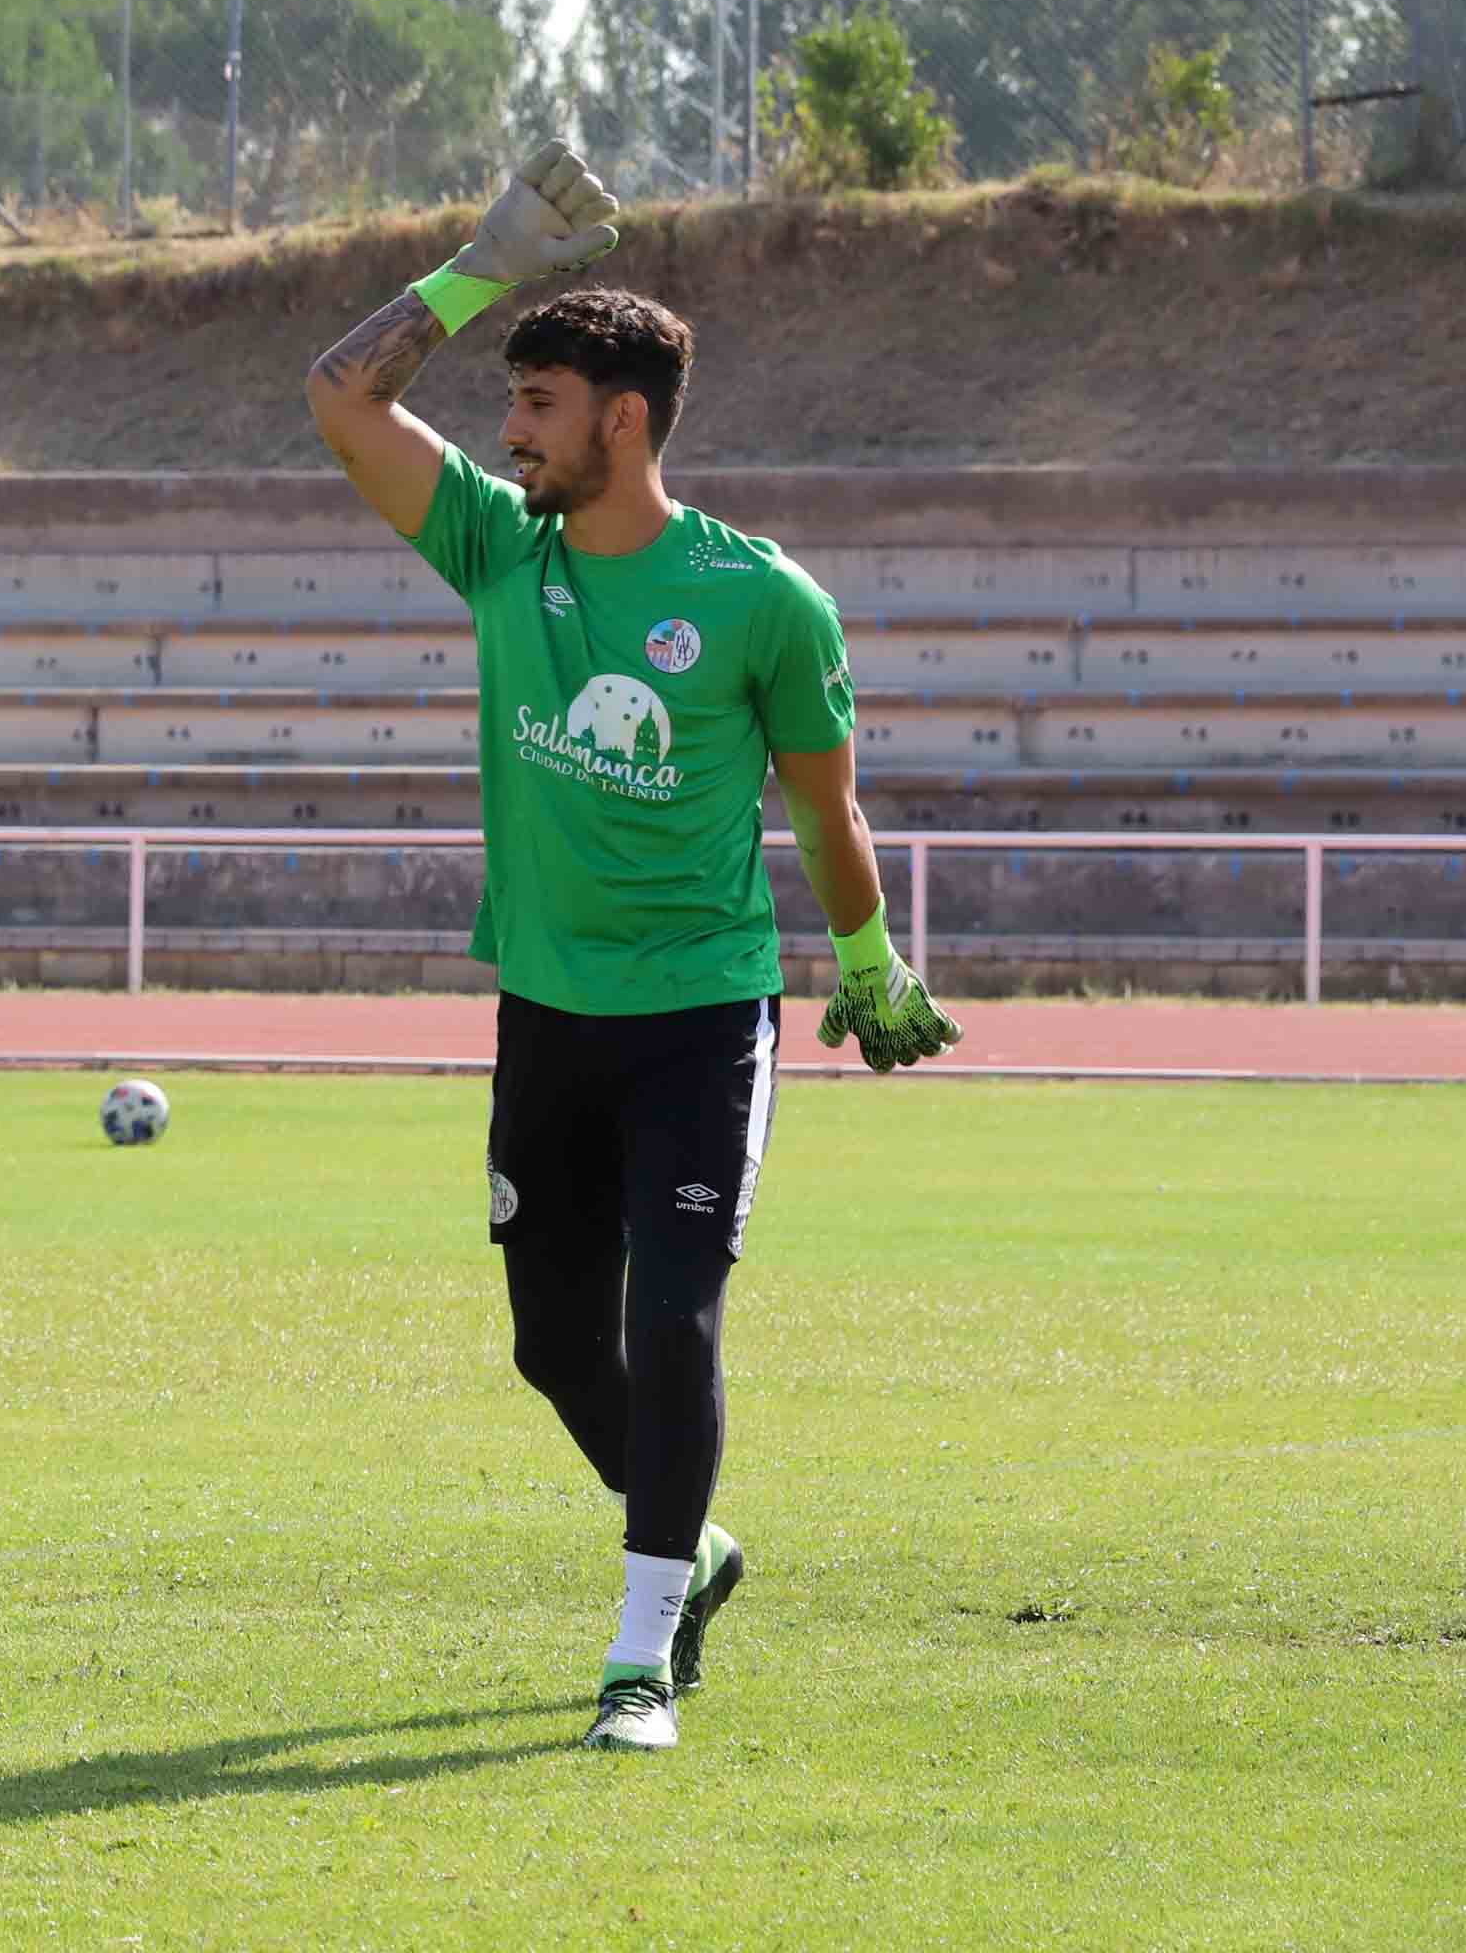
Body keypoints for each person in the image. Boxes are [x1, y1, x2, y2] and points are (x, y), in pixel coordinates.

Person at [301, 141, 964, 1755]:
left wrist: (868, 956)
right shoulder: (497, 550)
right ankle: (702, 1540)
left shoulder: (763, 601)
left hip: (703, 1018)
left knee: (676, 1317)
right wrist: (481, 258)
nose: (507, 430)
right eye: (507, 400)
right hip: (548, 1015)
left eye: (535, 403)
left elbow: (825, 805)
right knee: (552, 1344)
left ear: (625, 421)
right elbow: (339, 395)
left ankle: (639, 1645)